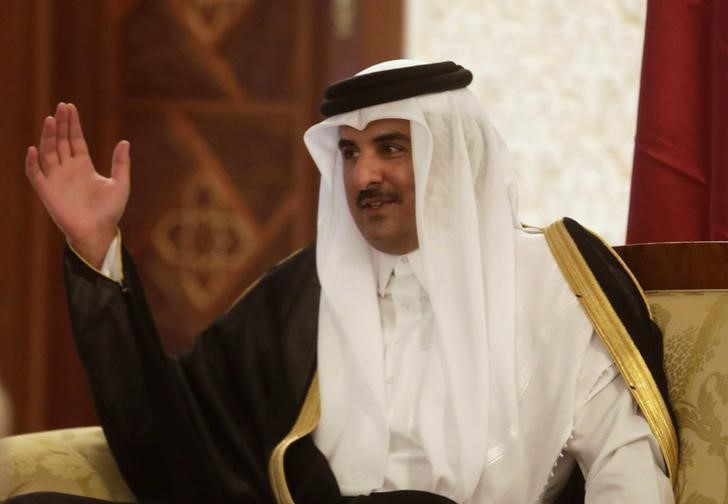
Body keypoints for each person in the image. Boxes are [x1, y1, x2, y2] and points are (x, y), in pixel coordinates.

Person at [17, 60, 674, 503]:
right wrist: (95, 244)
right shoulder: (308, 290)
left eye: (391, 147)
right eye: (351, 152)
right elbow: (178, 428)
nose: (364, 177)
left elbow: (627, 466)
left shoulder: (556, 281)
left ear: (453, 156)